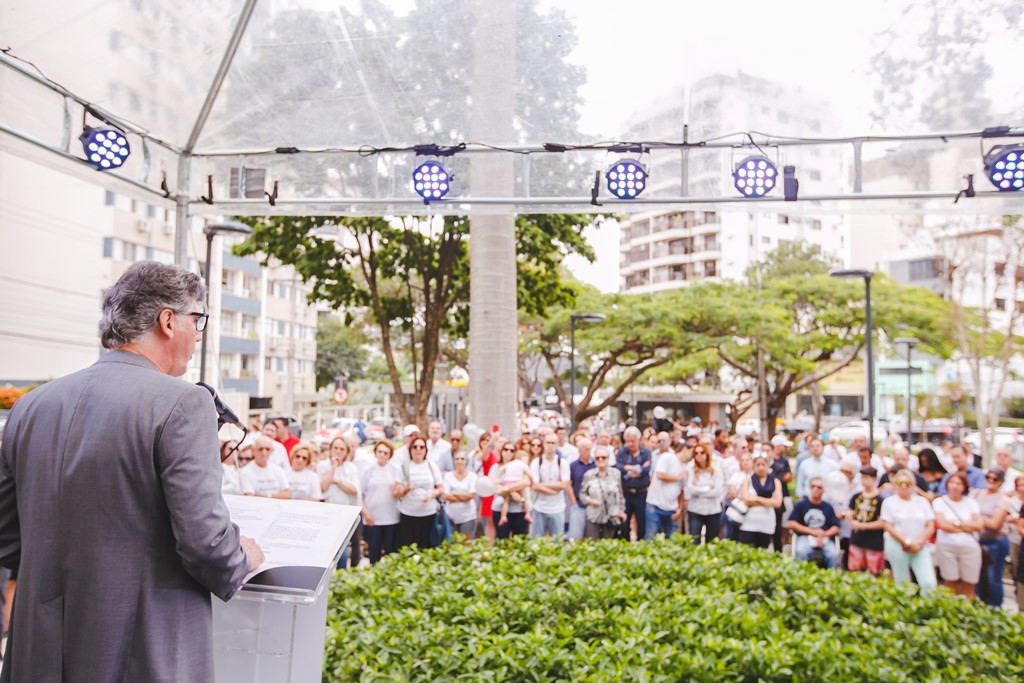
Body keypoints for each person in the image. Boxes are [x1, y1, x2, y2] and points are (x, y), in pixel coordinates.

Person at [0, 260, 263, 681]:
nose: (198, 335)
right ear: (167, 321)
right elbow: (205, 544)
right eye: (198, 320)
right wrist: (243, 556)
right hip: (140, 653)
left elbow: (8, 537)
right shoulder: (183, 404)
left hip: (39, 652)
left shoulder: (30, 406)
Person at [880, 469, 937, 595]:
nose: (904, 487)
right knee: (902, 582)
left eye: (908, 483)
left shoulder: (922, 502)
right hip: (898, 545)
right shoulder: (889, 502)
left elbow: (931, 525)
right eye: (900, 483)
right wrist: (906, 542)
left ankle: (927, 609)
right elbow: (887, 526)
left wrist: (919, 542)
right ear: (895, 484)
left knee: (928, 582)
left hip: (920, 545)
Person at [933, 472, 983, 599]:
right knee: (950, 582)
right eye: (952, 483)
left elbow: (978, 525)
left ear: (964, 486)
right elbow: (943, 525)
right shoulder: (940, 502)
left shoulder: (971, 503)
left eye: (959, 483)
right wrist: (966, 526)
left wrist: (955, 524)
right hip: (947, 545)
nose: (955, 486)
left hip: (969, 546)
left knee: (969, 582)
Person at [971, 468, 1012, 607]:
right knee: (976, 576)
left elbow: (995, 524)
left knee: (993, 577)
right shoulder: (976, 494)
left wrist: (978, 519)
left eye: (994, 479)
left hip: (996, 541)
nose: (990, 481)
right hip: (977, 539)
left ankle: (994, 608)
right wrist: (981, 520)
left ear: (1000, 482)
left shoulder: (1003, 499)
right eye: (988, 477)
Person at [395, 436, 444, 549]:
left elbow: (441, 488)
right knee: (408, 550)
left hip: (428, 514)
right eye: (415, 447)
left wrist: (432, 493)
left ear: (426, 450)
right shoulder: (404, 467)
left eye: (421, 447)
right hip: (408, 514)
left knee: (427, 548)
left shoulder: (431, 466)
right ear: (410, 449)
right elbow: (396, 493)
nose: (418, 449)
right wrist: (406, 489)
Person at [320, 436, 362, 568]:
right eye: (335, 448)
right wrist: (333, 469)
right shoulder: (323, 466)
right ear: (330, 449)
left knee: (343, 553)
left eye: (342, 449)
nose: (338, 451)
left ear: (347, 451)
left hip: (346, 515)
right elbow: (323, 486)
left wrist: (337, 481)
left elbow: (353, 490)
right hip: (328, 516)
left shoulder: (351, 468)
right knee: (329, 552)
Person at [360, 441, 402, 564]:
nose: (382, 455)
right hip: (373, 518)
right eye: (380, 452)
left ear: (390, 455)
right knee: (374, 553)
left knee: (390, 553)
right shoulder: (368, 470)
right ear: (375, 452)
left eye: (386, 453)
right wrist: (365, 513)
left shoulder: (395, 469)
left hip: (391, 517)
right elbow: (361, 493)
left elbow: (398, 491)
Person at [787, 477, 841, 568]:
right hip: (805, 536)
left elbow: (836, 527)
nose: (816, 489)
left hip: (825, 537)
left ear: (824, 490)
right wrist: (811, 532)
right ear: (809, 487)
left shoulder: (828, 507)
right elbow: (791, 523)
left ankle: (831, 578)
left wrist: (823, 535)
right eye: (813, 486)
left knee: (833, 554)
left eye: (819, 487)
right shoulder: (801, 505)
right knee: (801, 551)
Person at [579, 446, 628, 539]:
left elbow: (620, 495)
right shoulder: (588, 475)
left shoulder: (616, 474)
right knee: (592, 545)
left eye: (603, 457)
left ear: (608, 458)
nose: (600, 460)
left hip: (611, 515)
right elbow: (582, 494)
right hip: (594, 515)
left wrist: (621, 511)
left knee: (609, 546)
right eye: (597, 458)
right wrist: (590, 501)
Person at [846, 466, 886, 576]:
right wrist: (849, 517)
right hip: (857, 539)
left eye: (867, 477)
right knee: (855, 571)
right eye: (862, 477)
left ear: (874, 479)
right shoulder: (856, 496)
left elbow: (882, 522)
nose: (864, 480)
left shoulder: (880, 500)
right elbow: (850, 511)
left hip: (873, 541)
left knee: (874, 572)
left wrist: (862, 526)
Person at [737, 453, 782, 549]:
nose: (761, 467)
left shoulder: (775, 481)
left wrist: (757, 499)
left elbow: (777, 503)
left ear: (767, 466)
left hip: (766, 523)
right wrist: (768, 501)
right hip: (749, 523)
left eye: (763, 465)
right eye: (758, 465)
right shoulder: (748, 480)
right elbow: (746, 500)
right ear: (754, 466)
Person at [530, 433, 571, 538]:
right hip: (539, 508)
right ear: (544, 444)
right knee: (536, 543)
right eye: (548, 442)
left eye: (553, 443)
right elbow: (535, 486)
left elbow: (564, 485)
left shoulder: (562, 463)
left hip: (557, 509)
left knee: (557, 543)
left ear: (557, 444)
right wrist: (554, 489)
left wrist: (543, 485)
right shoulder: (536, 462)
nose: (550, 446)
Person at [615, 426, 651, 541]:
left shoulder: (646, 453)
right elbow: (619, 468)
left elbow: (647, 470)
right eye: (628, 441)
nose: (630, 444)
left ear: (638, 440)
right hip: (626, 493)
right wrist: (636, 468)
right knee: (624, 524)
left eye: (632, 441)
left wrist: (629, 471)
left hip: (641, 493)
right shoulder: (622, 452)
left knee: (641, 523)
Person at [646, 441, 686, 539]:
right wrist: (678, 478)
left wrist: (680, 508)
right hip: (655, 506)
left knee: (671, 540)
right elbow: (660, 474)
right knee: (650, 538)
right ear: (685, 449)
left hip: (671, 508)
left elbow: (682, 490)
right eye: (693, 452)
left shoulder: (685, 467)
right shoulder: (668, 457)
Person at [684, 444, 723, 544]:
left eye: (702, 452)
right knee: (694, 540)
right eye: (696, 453)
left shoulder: (716, 470)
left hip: (712, 510)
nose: (699, 455)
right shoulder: (691, 469)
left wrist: (698, 489)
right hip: (695, 509)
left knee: (711, 541)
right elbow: (690, 489)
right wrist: (707, 488)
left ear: (707, 454)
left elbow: (718, 491)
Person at [490, 445, 531, 539]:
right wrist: (513, 493)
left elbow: (526, 482)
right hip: (500, 510)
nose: (508, 452)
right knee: (501, 542)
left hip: (520, 510)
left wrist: (506, 489)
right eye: (505, 449)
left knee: (520, 543)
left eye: (512, 450)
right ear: (501, 451)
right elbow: (494, 486)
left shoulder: (520, 466)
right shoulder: (496, 467)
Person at [443, 452, 478, 538]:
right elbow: (446, 496)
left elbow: (471, 496)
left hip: (468, 516)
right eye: (457, 459)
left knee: (467, 543)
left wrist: (454, 493)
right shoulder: (448, 476)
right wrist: (464, 496)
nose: (459, 461)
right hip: (450, 516)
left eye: (462, 459)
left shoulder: (472, 476)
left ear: (466, 461)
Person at [568, 438, 597, 541]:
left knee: (592, 537)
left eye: (590, 449)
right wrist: (573, 503)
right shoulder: (573, 465)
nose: (588, 451)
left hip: (594, 505)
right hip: (578, 504)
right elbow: (569, 485)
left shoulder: (596, 464)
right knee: (575, 536)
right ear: (579, 450)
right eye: (586, 449)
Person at [768, 434, 793, 552]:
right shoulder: (768, 462)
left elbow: (788, 476)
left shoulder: (784, 461)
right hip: (769, 498)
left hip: (782, 496)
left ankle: (783, 546)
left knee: (782, 522)